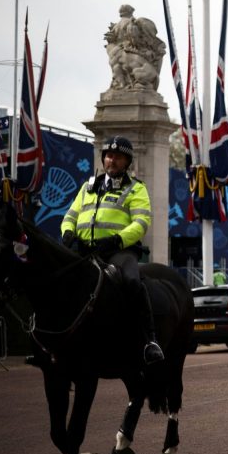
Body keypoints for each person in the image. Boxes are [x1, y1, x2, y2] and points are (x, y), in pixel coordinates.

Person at [60, 136, 164, 365]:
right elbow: (70, 215)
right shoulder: (87, 187)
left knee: (132, 282)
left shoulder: (136, 188)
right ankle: (51, 342)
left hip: (118, 251)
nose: (112, 160)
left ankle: (150, 341)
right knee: (57, 279)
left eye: (118, 157)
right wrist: (68, 232)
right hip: (85, 250)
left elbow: (141, 223)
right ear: (103, 158)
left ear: (127, 162)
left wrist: (116, 240)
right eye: (109, 155)